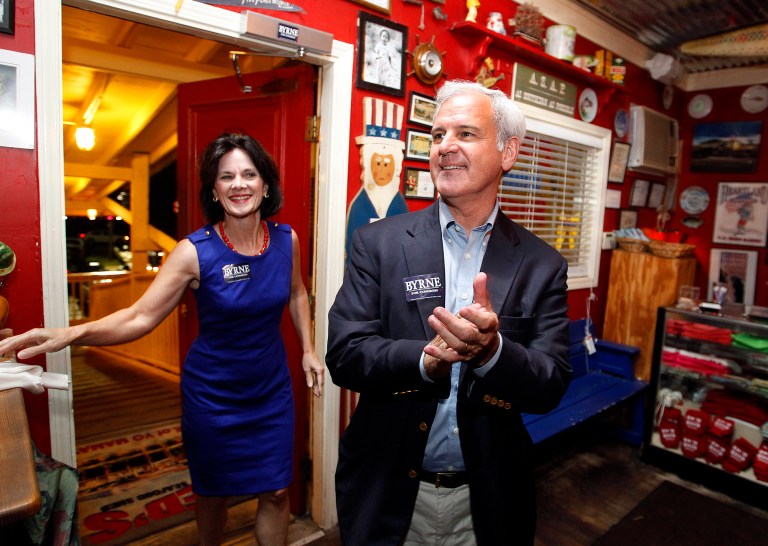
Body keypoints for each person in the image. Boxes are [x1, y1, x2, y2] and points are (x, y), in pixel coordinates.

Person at [0, 132, 324, 546]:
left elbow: (297, 291)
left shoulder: (286, 240)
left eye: (249, 174)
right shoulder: (194, 251)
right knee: (213, 495)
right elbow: (139, 315)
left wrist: (309, 350)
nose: (239, 184)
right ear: (214, 188)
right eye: (227, 177)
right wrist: (68, 334)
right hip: (213, 397)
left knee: (277, 490)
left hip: (271, 390)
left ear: (265, 184)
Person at [326, 80, 571, 545]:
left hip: (488, 501)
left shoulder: (542, 265)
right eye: (438, 135)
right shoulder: (378, 244)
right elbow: (345, 354)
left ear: (508, 152)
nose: (445, 148)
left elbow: (550, 383)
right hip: (389, 490)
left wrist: (492, 352)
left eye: (466, 134)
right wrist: (427, 360)